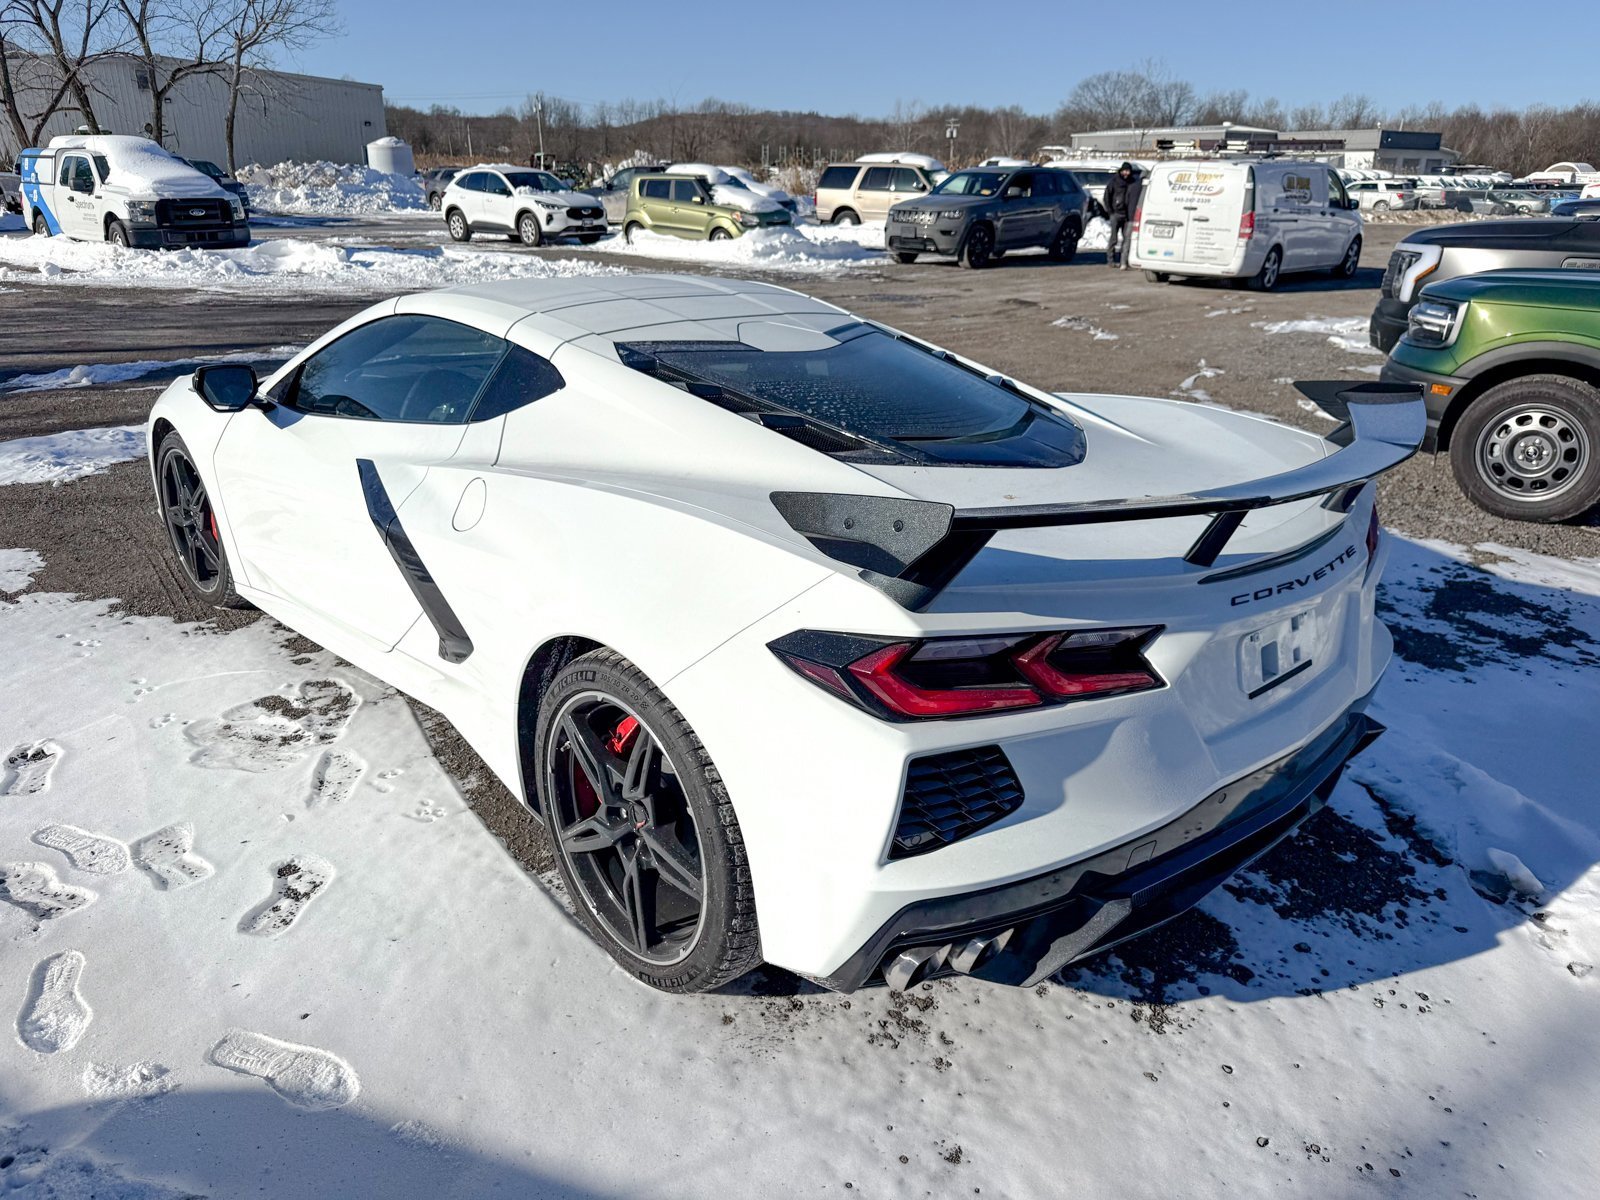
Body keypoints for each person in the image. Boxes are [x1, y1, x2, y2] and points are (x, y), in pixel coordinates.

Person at [1102, 162, 1143, 269]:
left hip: (1127, 215)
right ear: (1121, 171)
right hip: (1116, 214)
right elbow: (1107, 196)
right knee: (1114, 238)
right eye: (1124, 171)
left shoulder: (1133, 183)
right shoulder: (1114, 182)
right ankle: (1110, 260)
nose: (1126, 173)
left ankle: (1123, 262)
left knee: (1127, 239)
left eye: (1128, 171)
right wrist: (1110, 211)